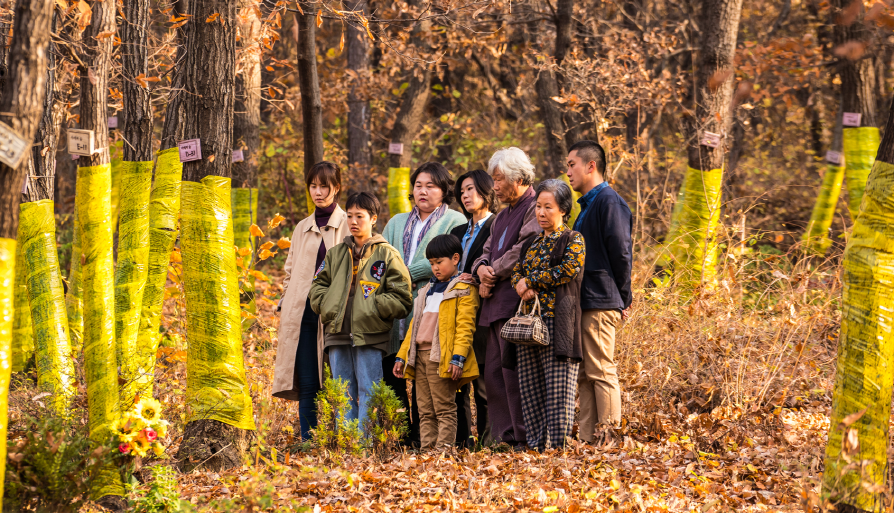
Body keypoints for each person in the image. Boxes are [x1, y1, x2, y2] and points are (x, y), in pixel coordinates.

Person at [309, 192, 413, 430]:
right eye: (349, 216)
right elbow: (317, 287)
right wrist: (329, 305)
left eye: (360, 216)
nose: (353, 221)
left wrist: (373, 307)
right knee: (342, 390)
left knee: (369, 388)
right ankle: (348, 444)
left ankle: (365, 444)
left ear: (373, 218)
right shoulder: (335, 254)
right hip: (337, 332)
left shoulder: (387, 254)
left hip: (370, 334)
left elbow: (403, 297)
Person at [382, 162, 467, 445]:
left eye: (431, 185)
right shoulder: (395, 222)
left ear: (444, 190)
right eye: (418, 185)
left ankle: (443, 441)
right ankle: (405, 439)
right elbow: (381, 260)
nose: (423, 190)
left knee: (435, 384)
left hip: (436, 311)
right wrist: (395, 276)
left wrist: (404, 273)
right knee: (396, 376)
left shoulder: (454, 221)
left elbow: (448, 262)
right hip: (397, 311)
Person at [273, 161, 348, 441]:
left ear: (336, 188)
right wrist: (285, 299)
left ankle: (339, 438)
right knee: (307, 381)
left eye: (324, 186)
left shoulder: (346, 225)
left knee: (335, 379)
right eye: (313, 186)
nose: (317, 192)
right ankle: (309, 441)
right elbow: (290, 271)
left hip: (332, 315)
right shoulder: (302, 227)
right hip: (302, 313)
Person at [471, 147, 540, 450]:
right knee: (493, 373)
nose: (494, 186)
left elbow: (524, 248)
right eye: (494, 180)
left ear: (518, 178)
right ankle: (502, 438)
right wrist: (481, 269)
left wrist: (493, 271)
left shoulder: (535, 206)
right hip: (493, 304)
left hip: (516, 304)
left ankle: (521, 438)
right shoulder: (500, 216)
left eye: (499, 180)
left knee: (514, 374)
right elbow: (485, 250)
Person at [564, 140, 632, 442]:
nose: (568, 171)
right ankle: (589, 440)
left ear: (591, 166)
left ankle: (610, 440)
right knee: (585, 374)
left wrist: (623, 297)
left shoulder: (609, 202)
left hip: (601, 300)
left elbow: (621, 253)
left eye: (571, 164)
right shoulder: (587, 205)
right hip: (583, 300)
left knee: (602, 371)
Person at [511, 180, 586, 451]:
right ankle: (535, 445)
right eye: (538, 207)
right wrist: (520, 281)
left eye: (548, 207)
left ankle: (557, 449)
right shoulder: (531, 242)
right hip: (529, 324)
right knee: (530, 388)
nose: (541, 213)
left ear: (563, 210)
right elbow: (517, 270)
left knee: (558, 390)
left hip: (558, 322)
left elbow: (567, 270)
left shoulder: (573, 239)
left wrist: (531, 282)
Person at [393, 235, 480, 450]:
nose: (435, 268)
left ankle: (443, 452)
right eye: (431, 264)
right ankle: (427, 451)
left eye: (439, 262)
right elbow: (414, 328)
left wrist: (457, 359)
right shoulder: (426, 291)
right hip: (419, 356)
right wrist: (402, 356)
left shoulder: (463, 289)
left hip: (440, 356)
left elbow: (465, 328)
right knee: (424, 409)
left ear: (455, 258)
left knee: (444, 408)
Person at [449, 170, 497, 447]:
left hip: (485, 311)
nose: (465, 196)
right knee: (458, 379)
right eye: (462, 191)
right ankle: (463, 442)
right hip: (457, 313)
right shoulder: (457, 231)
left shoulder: (497, 226)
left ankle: (489, 442)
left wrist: (476, 277)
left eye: (471, 189)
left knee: (483, 381)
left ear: (486, 190)